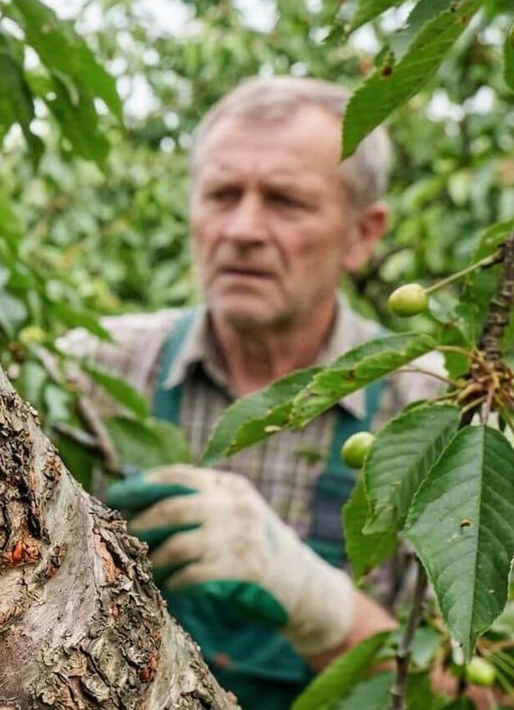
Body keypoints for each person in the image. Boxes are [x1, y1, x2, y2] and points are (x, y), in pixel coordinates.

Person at [57, 77, 443, 707]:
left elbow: (478, 689)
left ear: (363, 235)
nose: (243, 229)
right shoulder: (90, 371)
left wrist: (322, 606)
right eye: (222, 195)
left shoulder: (434, 410)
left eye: (286, 202)